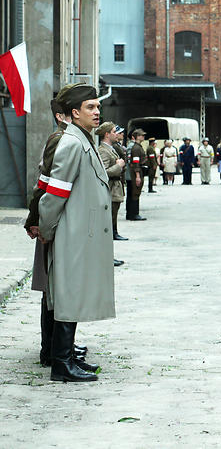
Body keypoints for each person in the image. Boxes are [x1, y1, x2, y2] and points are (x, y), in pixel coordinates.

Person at [38, 83, 115, 382]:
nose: (97, 112)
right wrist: (46, 229)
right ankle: (61, 364)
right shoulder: (72, 143)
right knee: (68, 295)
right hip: (73, 232)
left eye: (98, 107)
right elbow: (55, 193)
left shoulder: (83, 140)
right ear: (74, 112)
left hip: (81, 231)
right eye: (90, 107)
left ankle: (66, 358)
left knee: (74, 293)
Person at [23, 94, 88, 370]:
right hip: (52, 222)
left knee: (56, 289)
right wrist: (35, 219)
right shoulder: (59, 139)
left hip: (57, 221)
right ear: (63, 116)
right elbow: (45, 183)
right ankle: (50, 350)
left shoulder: (71, 139)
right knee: (52, 290)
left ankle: (58, 348)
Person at [97, 122, 127, 244]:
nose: (117, 134)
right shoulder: (103, 151)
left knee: (113, 214)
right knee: (109, 216)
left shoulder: (110, 149)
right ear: (107, 134)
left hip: (115, 187)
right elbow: (103, 172)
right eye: (114, 132)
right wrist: (118, 166)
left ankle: (114, 233)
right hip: (110, 188)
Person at [126, 129, 147, 221]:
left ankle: (131, 213)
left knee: (135, 192)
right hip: (136, 172)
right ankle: (134, 214)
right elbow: (135, 162)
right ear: (137, 136)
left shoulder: (138, 147)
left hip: (137, 171)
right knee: (136, 192)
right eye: (142, 135)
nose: (143, 137)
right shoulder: (136, 148)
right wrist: (138, 176)